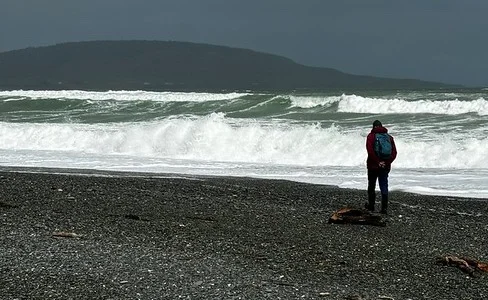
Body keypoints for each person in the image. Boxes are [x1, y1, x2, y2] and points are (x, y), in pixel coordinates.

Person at [365, 120, 397, 214]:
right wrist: (386, 163)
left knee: (371, 186)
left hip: (373, 166)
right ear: (381, 126)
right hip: (385, 167)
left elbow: (370, 151)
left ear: (374, 127)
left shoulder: (371, 137)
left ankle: (371, 206)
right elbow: (394, 153)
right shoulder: (389, 137)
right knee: (384, 185)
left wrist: (378, 162)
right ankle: (384, 208)